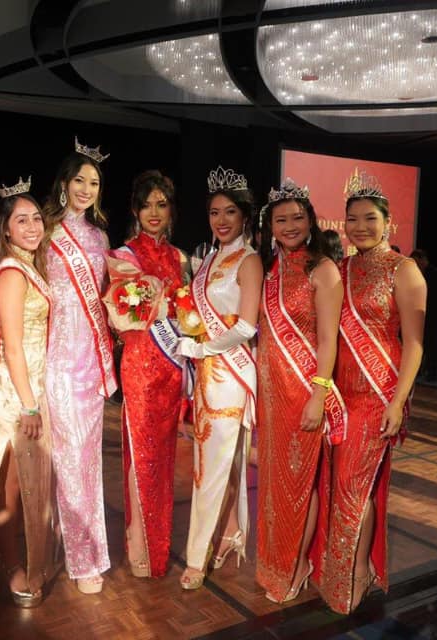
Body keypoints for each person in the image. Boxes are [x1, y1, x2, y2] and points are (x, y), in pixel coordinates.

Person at [310, 169, 425, 613]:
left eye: (370, 218)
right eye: (352, 219)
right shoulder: (339, 268)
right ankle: (347, 568)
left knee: (353, 486)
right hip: (340, 394)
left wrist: (398, 400)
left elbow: (414, 343)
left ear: (388, 222)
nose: (360, 227)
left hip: (378, 393)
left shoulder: (404, 270)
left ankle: (356, 570)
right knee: (341, 485)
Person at [255, 180, 343, 603]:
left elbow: (328, 340)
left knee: (300, 483)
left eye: (297, 218)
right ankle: (275, 562)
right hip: (271, 395)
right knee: (275, 487)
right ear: (270, 226)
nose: (289, 226)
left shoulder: (322, 270)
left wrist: (318, 395)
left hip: (303, 391)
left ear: (310, 221)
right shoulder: (270, 268)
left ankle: (296, 565)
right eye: (281, 220)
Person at [177, 166, 262, 590]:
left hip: (230, 376)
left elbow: (246, 326)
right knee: (212, 465)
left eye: (230, 211)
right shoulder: (209, 258)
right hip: (206, 375)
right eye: (214, 212)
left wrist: (200, 348)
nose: (222, 220)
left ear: (245, 215)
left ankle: (196, 557)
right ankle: (228, 533)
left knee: (210, 468)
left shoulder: (249, 260)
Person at [44, 139, 116, 594]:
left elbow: (106, 300)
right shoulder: (45, 231)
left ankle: (80, 546)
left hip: (92, 360)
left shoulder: (101, 237)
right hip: (58, 359)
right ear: (64, 183)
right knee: (68, 460)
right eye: (79, 180)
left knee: (88, 463)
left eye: (94, 182)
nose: (86, 189)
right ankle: (82, 558)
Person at [0, 182, 57, 608]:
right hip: (15, 393)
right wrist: (28, 404)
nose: (31, 227)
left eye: (36, 218)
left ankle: (17, 559)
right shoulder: (11, 272)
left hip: (33, 386)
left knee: (25, 484)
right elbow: (11, 345)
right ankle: (11, 566)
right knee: (9, 486)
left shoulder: (30, 267)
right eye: (21, 220)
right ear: (5, 229)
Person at [109, 171, 188, 578]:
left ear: (171, 209)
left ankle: (160, 544)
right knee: (141, 455)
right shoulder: (124, 255)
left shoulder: (180, 258)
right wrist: (156, 301)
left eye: (161, 204)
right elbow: (123, 315)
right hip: (140, 365)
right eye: (146, 205)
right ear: (135, 210)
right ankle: (140, 544)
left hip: (171, 368)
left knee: (165, 457)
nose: (153, 212)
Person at [410, 249, 437, 380]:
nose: (415, 265)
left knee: (431, 344)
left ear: (423, 259)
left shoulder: (435, 274)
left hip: (432, 314)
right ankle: (417, 370)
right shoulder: (414, 273)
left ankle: (431, 372)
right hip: (417, 314)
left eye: (416, 262)